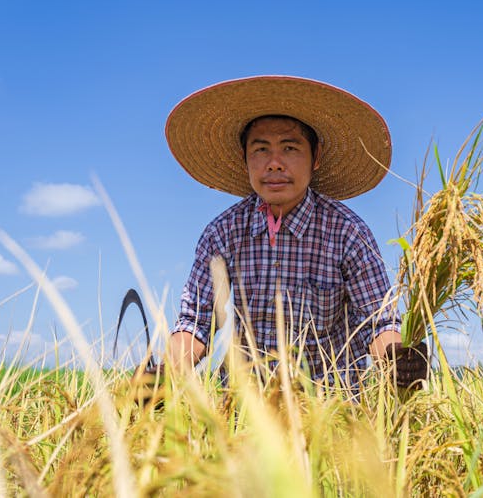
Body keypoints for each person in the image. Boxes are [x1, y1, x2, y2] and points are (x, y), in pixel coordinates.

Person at [162, 75, 427, 391]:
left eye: (289, 148)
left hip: (329, 404)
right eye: (261, 150)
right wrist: (164, 374)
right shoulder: (223, 234)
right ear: (245, 159)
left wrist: (397, 357)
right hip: (246, 407)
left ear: (315, 158)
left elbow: (378, 323)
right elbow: (196, 323)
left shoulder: (347, 233)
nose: (274, 164)